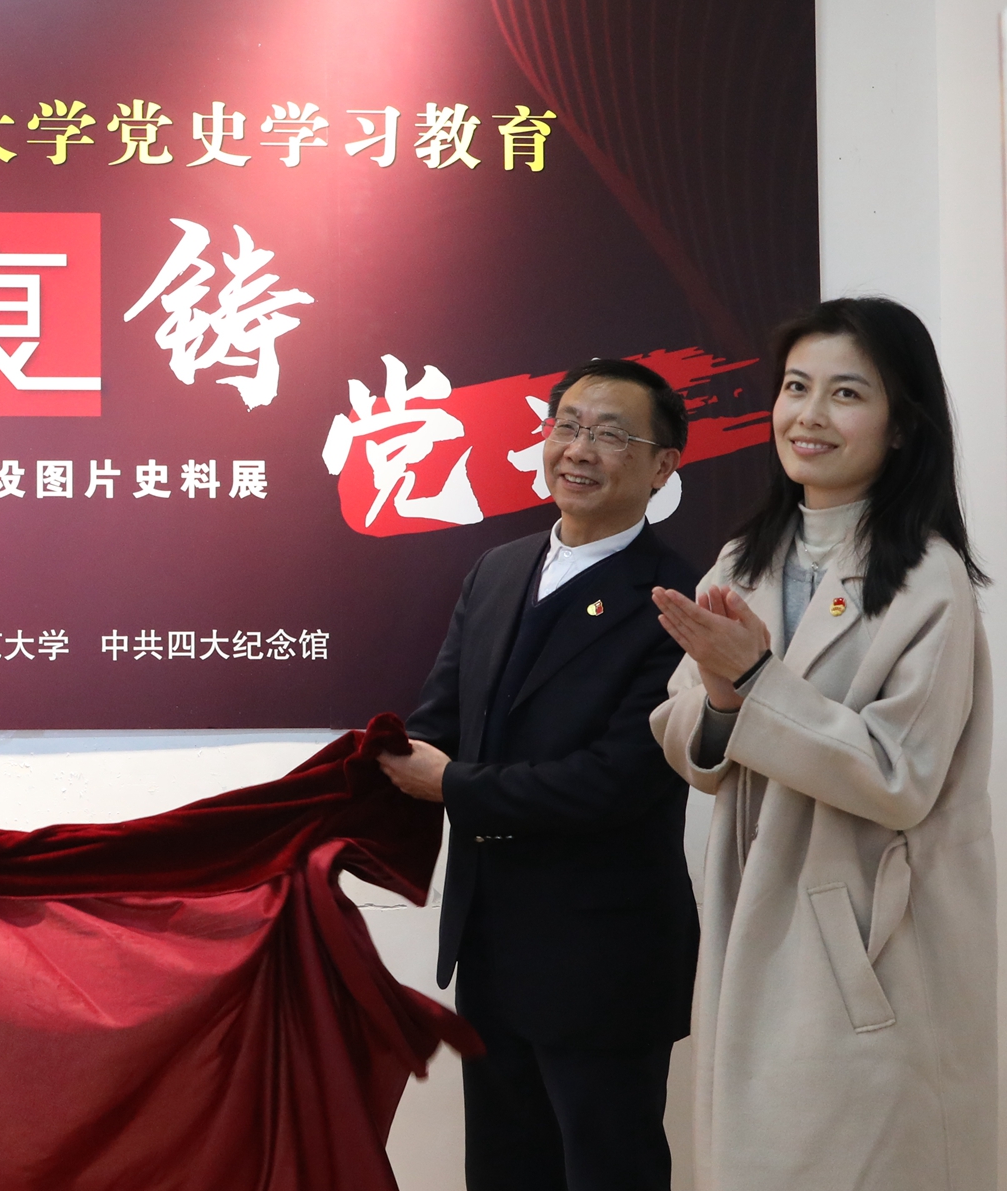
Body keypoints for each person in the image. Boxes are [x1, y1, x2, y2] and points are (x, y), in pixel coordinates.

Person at [650, 297, 994, 1189]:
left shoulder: (928, 577)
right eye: (796, 387)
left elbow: (898, 776)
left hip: (868, 954)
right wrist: (722, 695)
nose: (808, 415)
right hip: (751, 932)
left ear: (901, 426)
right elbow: (683, 731)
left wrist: (756, 680)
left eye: (846, 393)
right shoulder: (744, 559)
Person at [379, 357, 701, 1191]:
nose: (579, 449)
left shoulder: (680, 599)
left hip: (606, 959)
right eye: (568, 426)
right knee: (502, 1170)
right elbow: (439, 722)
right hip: (491, 949)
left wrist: (452, 786)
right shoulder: (498, 569)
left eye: (611, 434)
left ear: (663, 465)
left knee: (608, 1170)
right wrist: (355, 776)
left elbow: (617, 779)